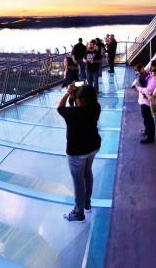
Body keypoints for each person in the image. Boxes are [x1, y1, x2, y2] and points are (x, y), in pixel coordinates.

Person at [58, 84, 101, 222]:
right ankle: (87, 203)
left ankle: (79, 212)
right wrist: (75, 95)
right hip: (93, 147)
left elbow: (60, 107)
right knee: (87, 173)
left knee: (78, 182)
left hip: (77, 152)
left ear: (81, 99)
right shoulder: (96, 107)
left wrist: (67, 93)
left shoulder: (73, 113)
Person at [133, 64, 156, 144]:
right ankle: (147, 131)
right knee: (146, 118)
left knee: (149, 119)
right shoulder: (142, 76)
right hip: (143, 101)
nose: (139, 72)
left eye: (140, 70)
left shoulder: (151, 78)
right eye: (138, 71)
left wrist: (138, 88)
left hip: (147, 102)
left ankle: (150, 137)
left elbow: (148, 90)